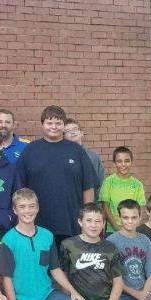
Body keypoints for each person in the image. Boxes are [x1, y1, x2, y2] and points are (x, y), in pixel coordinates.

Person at [0, 189, 90, 300]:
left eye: (31, 206)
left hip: (47, 296)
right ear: (15, 210)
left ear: (38, 208)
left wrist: (73, 292)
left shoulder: (47, 236)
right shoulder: (9, 240)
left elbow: (55, 269)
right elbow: (6, 278)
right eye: (22, 207)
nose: (27, 211)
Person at [16, 105, 96, 246]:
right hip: (37, 225)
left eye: (58, 123)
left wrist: (88, 218)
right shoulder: (30, 151)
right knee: (41, 267)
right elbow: (19, 190)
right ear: (42, 125)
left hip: (71, 225)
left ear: (64, 126)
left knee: (70, 267)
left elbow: (88, 187)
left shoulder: (77, 151)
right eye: (49, 123)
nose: (54, 127)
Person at [99, 146, 146, 233]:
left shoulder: (137, 185)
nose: (123, 164)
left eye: (127, 161)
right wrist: (117, 227)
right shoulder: (108, 182)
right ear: (114, 163)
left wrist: (134, 227)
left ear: (131, 162)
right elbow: (105, 208)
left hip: (132, 230)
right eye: (119, 161)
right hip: (112, 231)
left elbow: (141, 209)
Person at [63, 118, 105, 200]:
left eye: (75, 129)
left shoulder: (93, 156)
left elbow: (100, 181)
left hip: (91, 203)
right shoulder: (62, 157)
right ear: (63, 136)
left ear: (82, 133)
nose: (72, 132)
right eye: (68, 131)